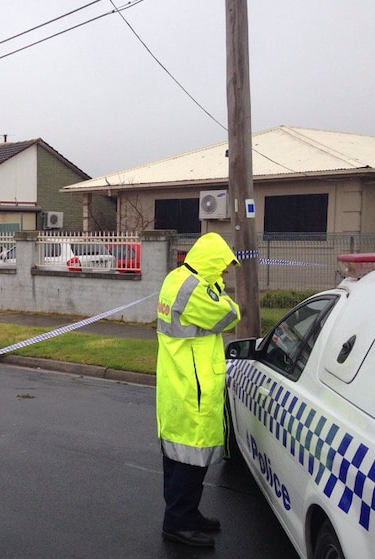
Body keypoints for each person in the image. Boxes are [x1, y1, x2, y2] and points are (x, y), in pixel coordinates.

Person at [155, 232, 241, 548]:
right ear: (209, 261)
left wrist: (215, 289)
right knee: (190, 458)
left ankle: (186, 514)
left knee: (180, 457)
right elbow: (231, 313)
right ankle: (177, 523)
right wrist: (222, 295)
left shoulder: (178, 278)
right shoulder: (194, 289)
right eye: (221, 268)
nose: (223, 274)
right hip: (192, 388)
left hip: (179, 383)